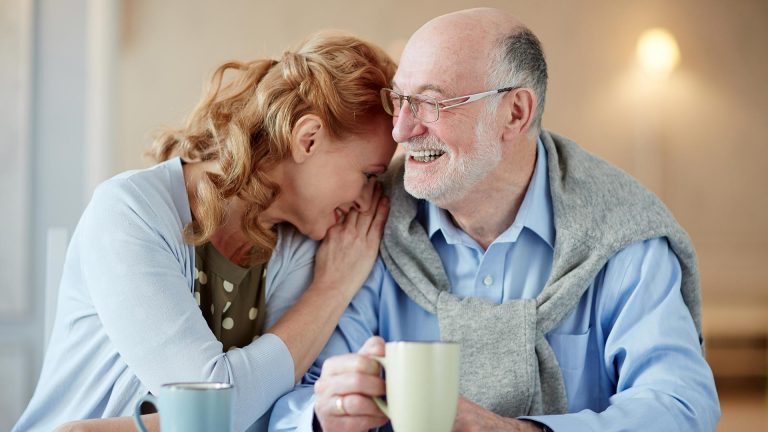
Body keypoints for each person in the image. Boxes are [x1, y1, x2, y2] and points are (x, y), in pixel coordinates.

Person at [268, 8, 720, 432]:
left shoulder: (623, 231)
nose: (401, 132)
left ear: (515, 112)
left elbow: (681, 406)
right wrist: (324, 414)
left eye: (431, 103)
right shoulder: (367, 217)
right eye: (399, 100)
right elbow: (292, 404)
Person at [14, 32, 398, 432]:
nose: (367, 199)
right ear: (308, 138)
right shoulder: (130, 210)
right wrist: (332, 289)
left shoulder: (298, 241)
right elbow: (217, 404)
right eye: (369, 175)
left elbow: (276, 412)